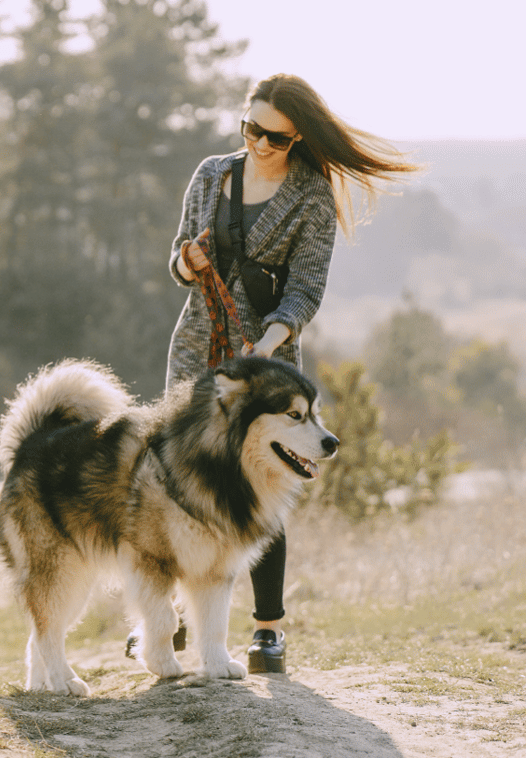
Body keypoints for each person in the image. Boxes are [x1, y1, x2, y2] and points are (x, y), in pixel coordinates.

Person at [166, 73, 417, 673]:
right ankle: (175, 620)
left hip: (269, 359)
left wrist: (269, 346)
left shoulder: (311, 196)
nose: (257, 143)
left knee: (266, 484)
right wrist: (186, 260)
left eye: (272, 137)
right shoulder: (211, 175)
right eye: (249, 128)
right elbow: (176, 257)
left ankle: (268, 630)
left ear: (297, 135)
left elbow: (304, 293)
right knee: (180, 479)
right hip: (197, 350)